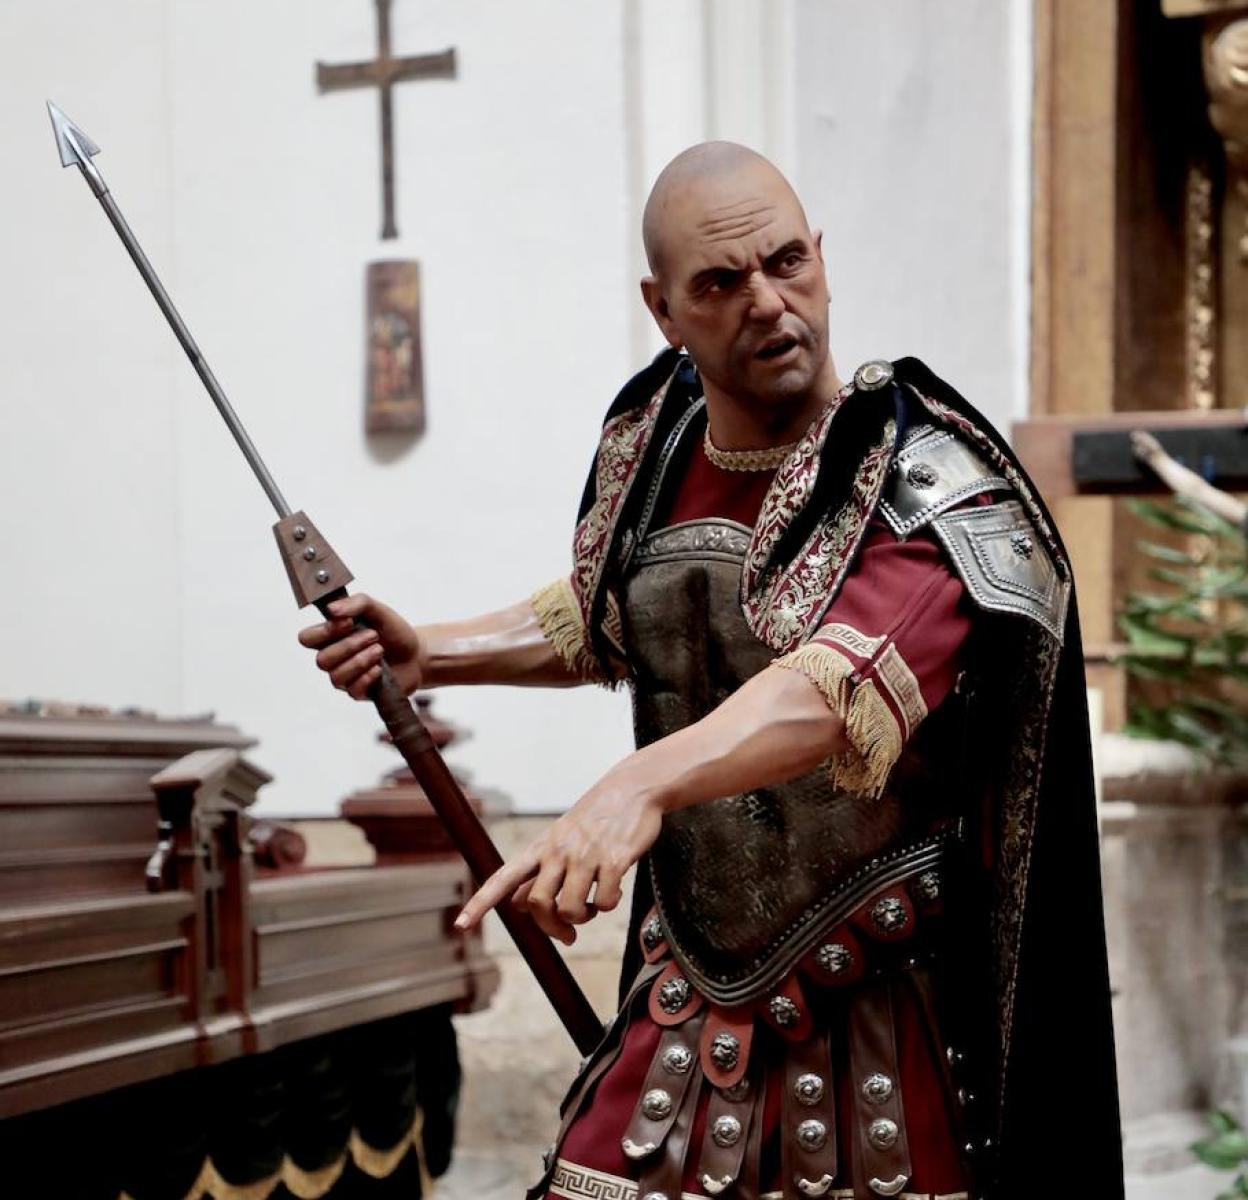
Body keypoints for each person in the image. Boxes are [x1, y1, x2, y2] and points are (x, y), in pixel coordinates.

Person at [299, 143, 1122, 1200]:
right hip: (686, 990)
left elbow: (830, 686)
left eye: (787, 263)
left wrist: (637, 782)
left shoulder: (926, 480)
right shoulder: (654, 446)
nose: (770, 303)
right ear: (664, 308)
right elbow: (612, 612)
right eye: (723, 284)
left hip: (873, 1002)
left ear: (821, 255)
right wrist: (435, 653)